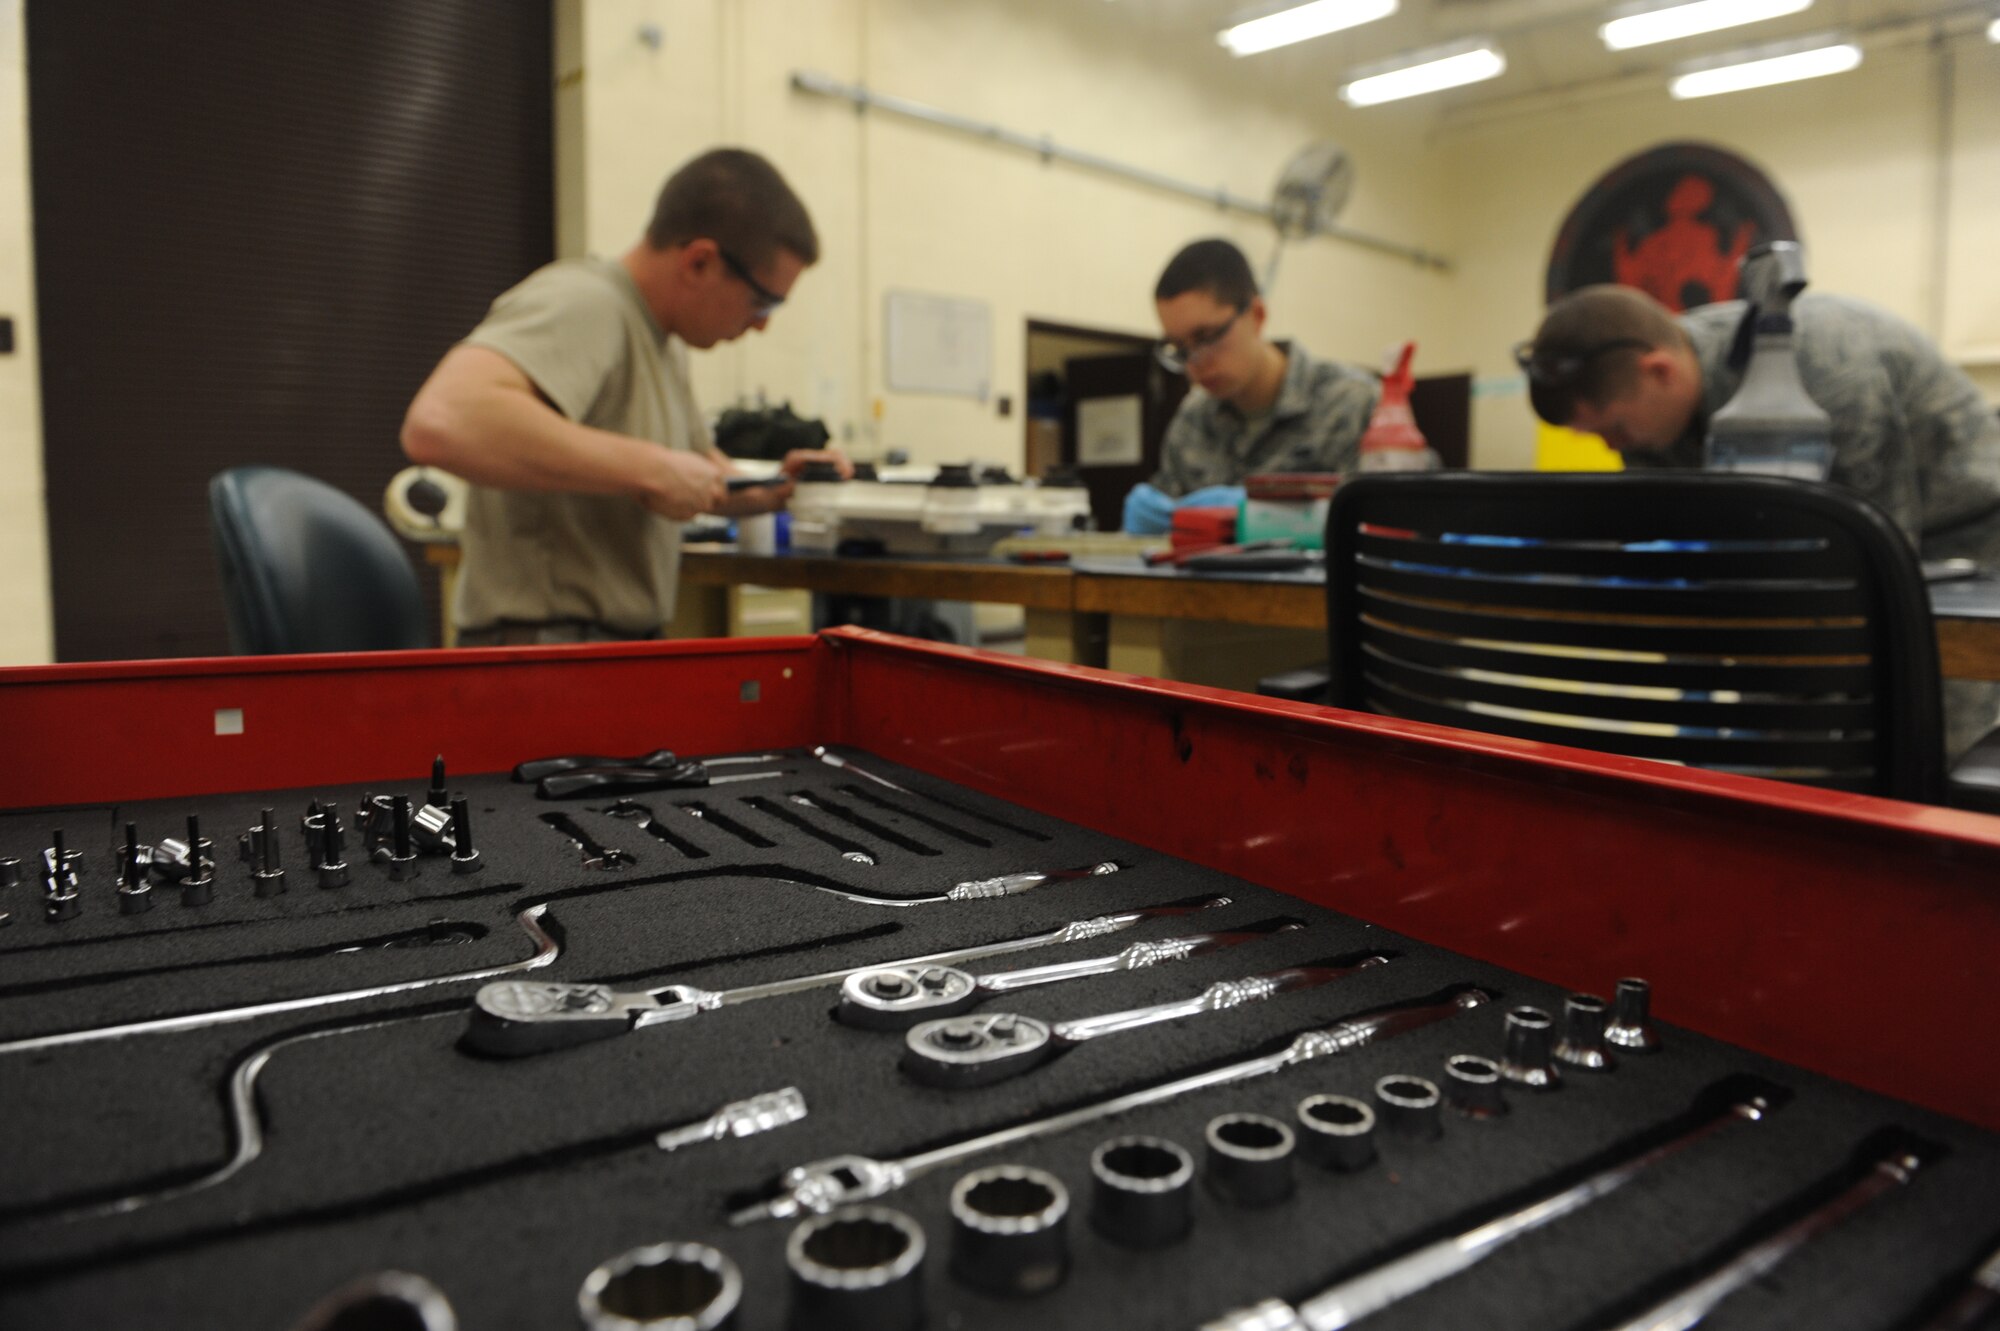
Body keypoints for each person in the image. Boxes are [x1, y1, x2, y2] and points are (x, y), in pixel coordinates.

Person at [1519, 281, 2000, 757]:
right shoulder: (1653, 420)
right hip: (1818, 556)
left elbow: (1881, 546)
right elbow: (1691, 551)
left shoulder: (1823, 361)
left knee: (1920, 741)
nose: (1612, 446)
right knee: (1774, 745)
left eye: (1616, 428)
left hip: (1964, 532)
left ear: (1659, 370)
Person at [401, 147, 847, 646]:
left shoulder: (663, 341)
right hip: (543, 655)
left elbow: (694, 473)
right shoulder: (588, 303)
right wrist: (653, 468)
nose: (761, 325)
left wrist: (772, 488)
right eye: (762, 301)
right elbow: (443, 421)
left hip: (601, 647)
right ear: (700, 261)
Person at [1123, 238, 1403, 533]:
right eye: (1179, 349)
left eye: (1206, 337)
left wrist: (1271, 516)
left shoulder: (1352, 403)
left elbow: (1386, 529)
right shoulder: (1192, 422)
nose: (1195, 363)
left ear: (1257, 315)